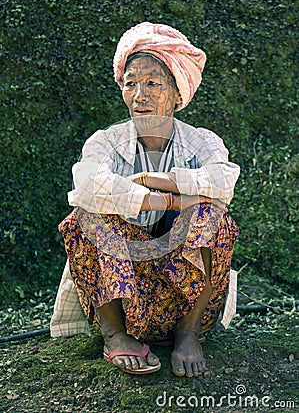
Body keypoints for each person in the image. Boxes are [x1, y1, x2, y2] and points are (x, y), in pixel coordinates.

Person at [53, 22, 240, 377]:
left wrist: (159, 180)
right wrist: (168, 201)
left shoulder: (204, 141)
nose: (140, 95)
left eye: (153, 84)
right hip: (122, 296)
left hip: (185, 298)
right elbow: (86, 186)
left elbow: (222, 183)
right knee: (86, 216)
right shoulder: (103, 142)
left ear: (176, 93)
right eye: (131, 83)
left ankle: (188, 333)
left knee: (212, 214)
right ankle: (115, 334)